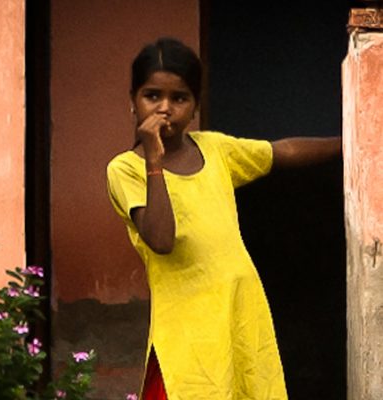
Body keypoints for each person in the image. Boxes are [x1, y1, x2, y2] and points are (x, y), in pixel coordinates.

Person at [106, 37, 341, 400]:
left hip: (239, 312)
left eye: (179, 98)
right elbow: (162, 239)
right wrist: (154, 160)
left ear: (196, 106)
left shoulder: (214, 149)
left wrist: (353, 140)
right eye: (152, 96)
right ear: (131, 103)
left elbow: (280, 152)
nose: (165, 108)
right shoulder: (125, 169)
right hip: (186, 333)